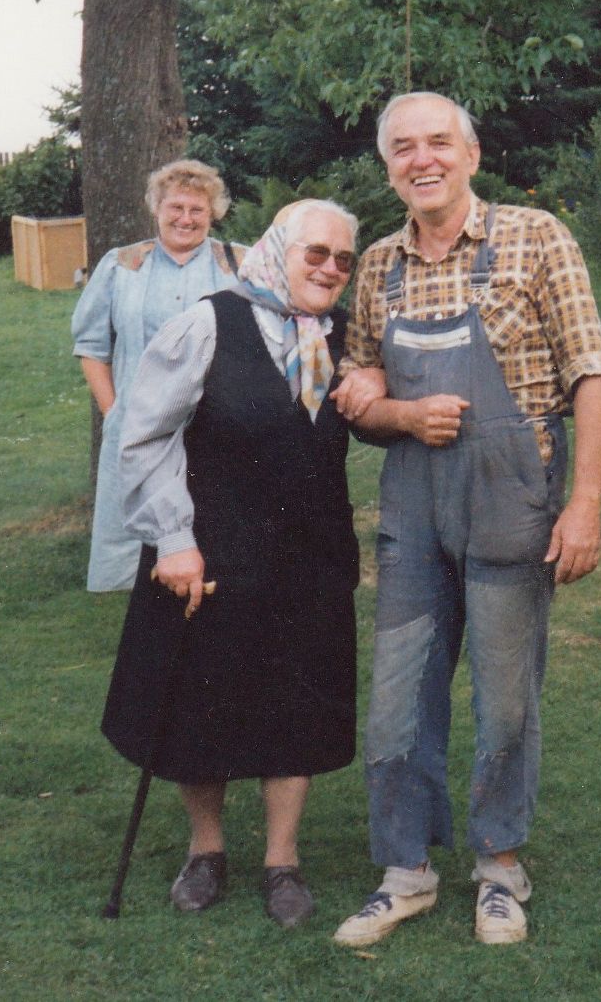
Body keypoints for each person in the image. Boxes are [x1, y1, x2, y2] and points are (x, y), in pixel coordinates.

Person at [331, 92, 601, 947]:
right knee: (397, 696)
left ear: (471, 154)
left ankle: (499, 867)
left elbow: (591, 373)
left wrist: (584, 503)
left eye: (437, 143)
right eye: (403, 148)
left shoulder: (536, 237)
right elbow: (359, 394)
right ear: (387, 165)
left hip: (509, 493)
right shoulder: (377, 264)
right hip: (413, 503)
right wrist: (393, 411)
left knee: (504, 698)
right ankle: (405, 872)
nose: (421, 160)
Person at [101, 199, 374, 928]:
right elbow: (144, 433)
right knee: (201, 700)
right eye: (315, 253)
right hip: (211, 548)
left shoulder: (342, 336)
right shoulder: (208, 324)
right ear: (276, 250)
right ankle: (206, 850)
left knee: (298, 701)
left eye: (343, 259)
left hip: (310, 555)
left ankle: (282, 861)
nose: (331, 269)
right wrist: (173, 539)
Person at [71, 159, 246, 591]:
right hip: (138, 430)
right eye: (176, 207)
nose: (186, 218)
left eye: (197, 209)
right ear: (157, 208)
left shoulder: (239, 265)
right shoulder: (121, 266)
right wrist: (113, 412)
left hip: (214, 428)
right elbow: (91, 347)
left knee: (214, 544)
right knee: (137, 554)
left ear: (213, 213)